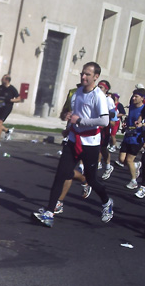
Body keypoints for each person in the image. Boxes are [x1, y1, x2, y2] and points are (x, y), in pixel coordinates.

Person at [34, 62, 114, 227]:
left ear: (96, 77)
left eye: (87, 74)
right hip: (73, 139)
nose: (83, 77)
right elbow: (75, 115)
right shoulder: (77, 92)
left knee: (92, 179)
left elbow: (105, 121)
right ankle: (49, 213)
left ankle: (107, 202)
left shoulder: (98, 95)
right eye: (82, 74)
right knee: (60, 174)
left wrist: (81, 121)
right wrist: (69, 125)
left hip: (90, 143)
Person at [116, 89, 144, 190]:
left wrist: (141, 125)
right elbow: (130, 119)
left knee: (128, 159)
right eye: (133, 96)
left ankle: (133, 181)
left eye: (136, 96)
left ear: (142, 98)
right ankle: (135, 165)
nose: (133, 98)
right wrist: (125, 124)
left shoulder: (143, 109)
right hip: (128, 136)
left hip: (137, 138)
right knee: (121, 159)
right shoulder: (131, 107)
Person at [0, 74, 20, 147]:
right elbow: (0, 94)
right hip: (0, 106)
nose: (1, 80)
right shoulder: (1, 87)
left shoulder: (12, 89)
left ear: (7, 80)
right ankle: (7, 131)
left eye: (3, 79)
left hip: (7, 108)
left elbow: (19, 99)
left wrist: (10, 100)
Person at [97, 80, 115, 180]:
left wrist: (106, 119)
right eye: (98, 86)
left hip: (104, 129)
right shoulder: (95, 97)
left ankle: (108, 166)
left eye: (101, 87)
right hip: (95, 127)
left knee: (103, 149)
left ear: (106, 89)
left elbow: (114, 119)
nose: (99, 89)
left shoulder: (109, 100)